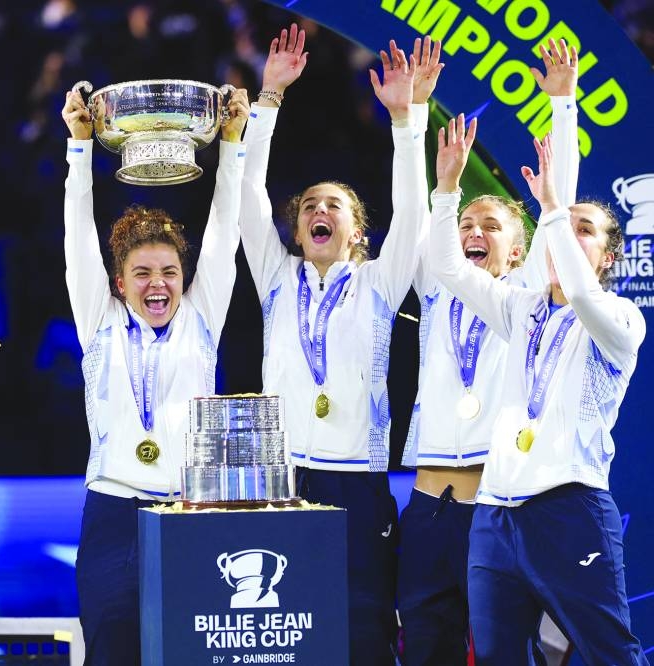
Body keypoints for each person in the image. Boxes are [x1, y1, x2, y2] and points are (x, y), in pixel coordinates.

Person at [238, 25, 430, 664]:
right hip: (282, 477)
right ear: (296, 231)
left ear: (357, 231)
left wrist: (405, 122)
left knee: (363, 628)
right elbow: (248, 199)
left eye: (335, 206)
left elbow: (413, 215)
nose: (320, 211)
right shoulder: (276, 278)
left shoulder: (379, 283)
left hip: (357, 483)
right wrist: (268, 98)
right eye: (309, 206)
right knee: (285, 633)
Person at [429, 107, 648, 663]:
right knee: (497, 658)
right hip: (494, 515)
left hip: (570, 508)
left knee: (610, 653)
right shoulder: (521, 307)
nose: (566, 236)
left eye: (583, 231)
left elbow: (580, 291)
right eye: (561, 227)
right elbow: (450, 269)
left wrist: (552, 210)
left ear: (608, 258)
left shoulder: (620, 320)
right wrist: (447, 190)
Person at [397, 39, 580, 664]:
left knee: (506, 652)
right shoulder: (439, 287)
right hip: (427, 508)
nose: (473, 232)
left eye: (490, 227)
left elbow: (560, 208)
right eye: (465, 225)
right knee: (425, 647)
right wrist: (413, 122)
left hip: (496, 508)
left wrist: (563, 105)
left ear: (519, 250)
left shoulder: (523, 299)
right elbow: (412, 211)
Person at [61, 82, 249, 664]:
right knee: (112, 653)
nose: (158, 284)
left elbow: (225, 230)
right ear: (119, 282)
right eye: (142, 273)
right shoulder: (100, 320)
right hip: (113, 514)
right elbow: (76, 237)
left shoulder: (201, 317)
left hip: (189, 513)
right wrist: (79, 147)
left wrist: (233, 144)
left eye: (169, 271)